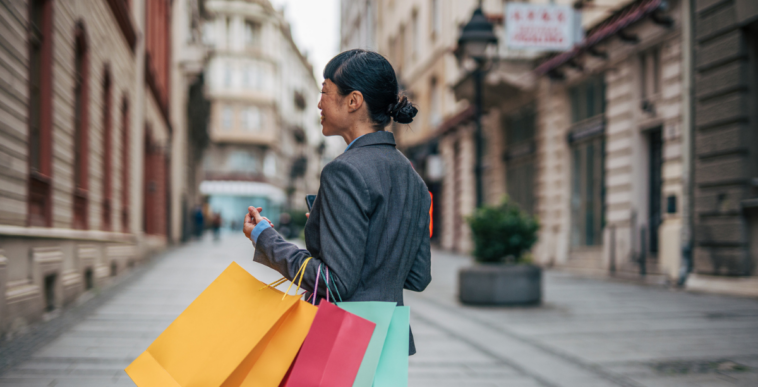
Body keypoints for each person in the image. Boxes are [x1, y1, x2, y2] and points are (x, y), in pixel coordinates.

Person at [243, 49, 431, 355]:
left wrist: (265, 237)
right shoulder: (414, 179)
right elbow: (418, 276)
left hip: (343, 345)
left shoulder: (343, 170)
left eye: (325, 92)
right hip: (389, 346)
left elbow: (334, 284)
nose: (319, 103)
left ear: (354, 101)